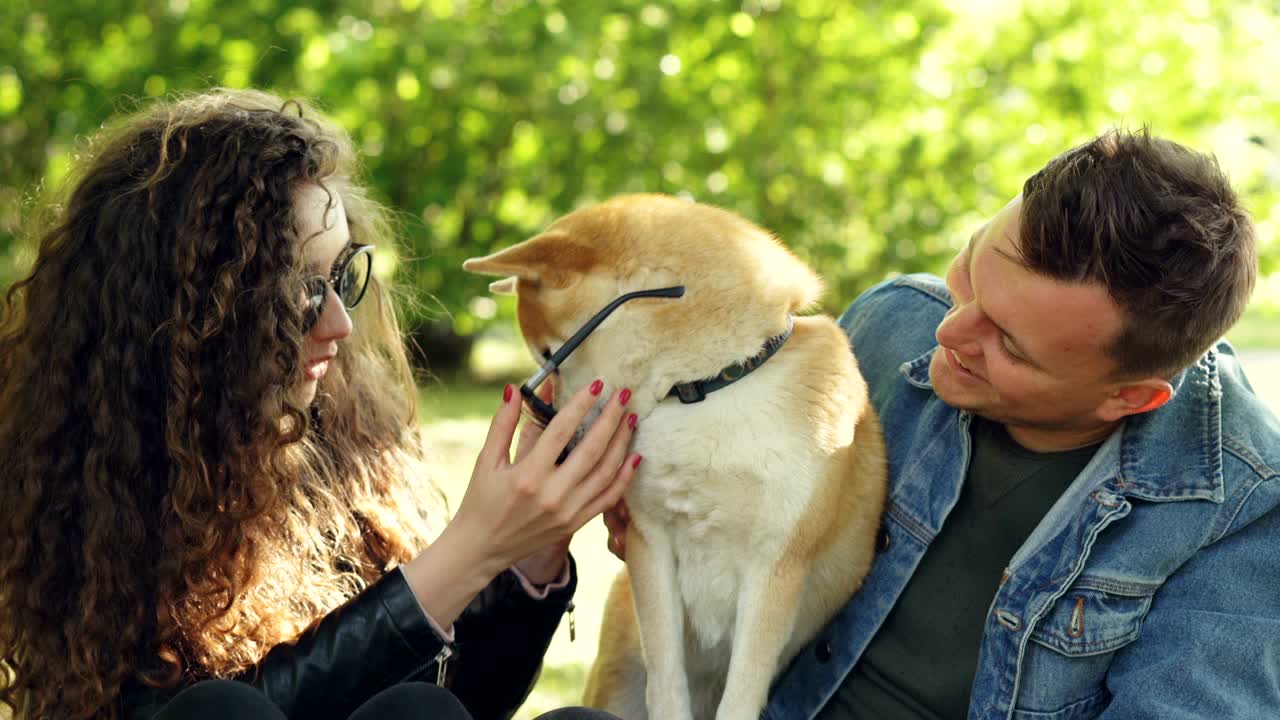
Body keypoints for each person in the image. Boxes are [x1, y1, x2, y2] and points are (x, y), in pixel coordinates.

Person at [0, 88, 639, 720]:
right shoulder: (94, 487)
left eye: (342, 276)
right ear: (190, 316)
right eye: (299, 289)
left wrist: (530, 549)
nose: (339, 322)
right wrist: (469, 551)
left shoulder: (339, 446)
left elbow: (465, 699)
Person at [602, 127, 1280, 718]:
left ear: (1128, 399)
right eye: (969, 271)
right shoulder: (890, 323)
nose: (950, 332)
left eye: (1009, 345)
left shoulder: (1239, 510)